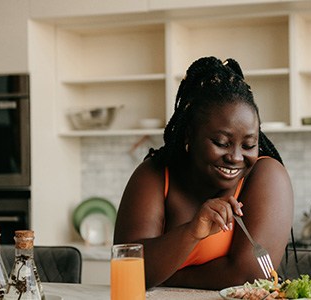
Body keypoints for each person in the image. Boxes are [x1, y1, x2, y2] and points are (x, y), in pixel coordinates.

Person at [114, 56, 294, 290]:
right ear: (189, 136)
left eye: (249, 145)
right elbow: (129, 266)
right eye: (221, 142)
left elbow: (249, 276)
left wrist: (168, 276)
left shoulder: (267, 176)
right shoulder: (155, 173)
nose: (236, 157)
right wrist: (191, 232)